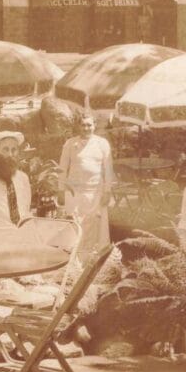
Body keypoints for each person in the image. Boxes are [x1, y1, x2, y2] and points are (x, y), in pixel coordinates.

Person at [58, 113, 114, 265]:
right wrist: (60, 189)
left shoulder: (102, 143)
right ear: (78, 126)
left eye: (89, 125)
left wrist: (107, 191)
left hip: (95, 192)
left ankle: (93, 261)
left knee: (94, 226)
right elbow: (62, 168)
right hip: (74, 193)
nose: (86, 128)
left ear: (94, 125)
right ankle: (73, 261)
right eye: (83, 125)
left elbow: (108, 169)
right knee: (76, 224)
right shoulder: (70, 144)